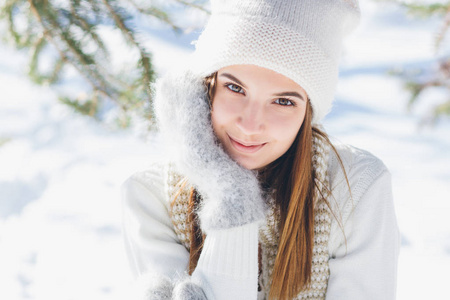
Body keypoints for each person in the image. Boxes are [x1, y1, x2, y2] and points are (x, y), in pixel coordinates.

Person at [121, 0, 400, 299]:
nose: (251, 125)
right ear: (205, 87)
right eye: (235, 88)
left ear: (307, 113)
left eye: (283, 101)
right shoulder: (151, 197)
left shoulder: (355, 189)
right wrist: (232, 197)